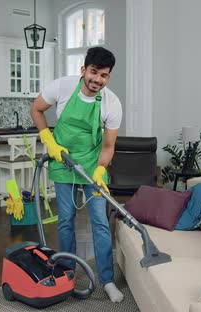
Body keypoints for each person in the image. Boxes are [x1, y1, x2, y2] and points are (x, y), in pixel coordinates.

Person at [30, 47, 124, 303]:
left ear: (108, 77)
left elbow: (108, 146)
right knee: (66, 221)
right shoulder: (62, 87)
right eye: (93, 72)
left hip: (93, 165)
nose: (97, 80)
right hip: (63, 161)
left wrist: (100, 170)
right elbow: (36, 109)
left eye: (103, 75)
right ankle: (66, 273)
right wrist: (48, 140)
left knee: (100, 222)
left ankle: (106, 280)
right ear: (84, 70)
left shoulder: (111, 103)